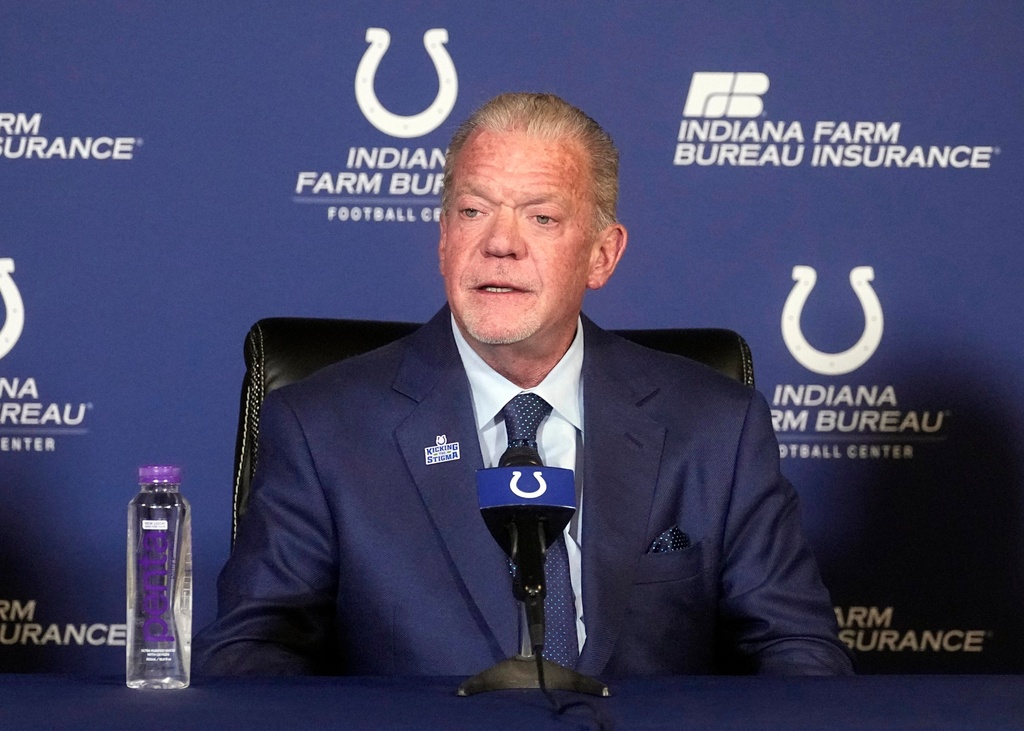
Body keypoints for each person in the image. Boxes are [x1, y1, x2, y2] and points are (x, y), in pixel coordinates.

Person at [194, 92, 853, 677]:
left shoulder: (716, 428)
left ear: (602, 254)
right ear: (444, 238)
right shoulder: (323, 427)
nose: (500, 243)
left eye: (541, 217)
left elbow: (796, 650)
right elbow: (254, 652)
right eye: (473, 210)